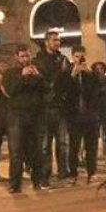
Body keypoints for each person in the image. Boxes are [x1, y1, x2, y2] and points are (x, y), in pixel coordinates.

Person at [4, 45, 45, 193]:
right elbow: (10, 91)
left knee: (36, 151)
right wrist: (22, 75)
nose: (25, 59)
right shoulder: (10, 73)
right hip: (16, 117)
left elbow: (46, 90)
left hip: (35, 116)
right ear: (17, 57)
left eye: (27, 56)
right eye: (22, 56)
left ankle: (37, 181)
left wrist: (38, 76)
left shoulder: (37, 72)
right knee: (16, 151)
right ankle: (15, 183)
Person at [35, 31, 73, 185]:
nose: (57, 42)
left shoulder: (63, 59)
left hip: (60, 107)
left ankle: (63, 172)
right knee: (45, 145)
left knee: (63, 143)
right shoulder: (38, 60)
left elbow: (67, 82)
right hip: (45, 107)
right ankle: (45, 174)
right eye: (54, 40)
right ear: (46, 42)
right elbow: (43, 82)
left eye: (59, 40)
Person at [63, 46, 102, 184]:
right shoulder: (67, 72)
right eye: (77, 56)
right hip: (74, 116)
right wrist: (73, 75)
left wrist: (90, 73)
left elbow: (98, 89)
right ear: (72, 57)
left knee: (91, 147)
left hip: (90, 116)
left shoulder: (91, 73)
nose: (80, 59)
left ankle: (92, 172)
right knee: (74, 147)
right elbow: (63, 90)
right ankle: (73, 173)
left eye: (82, 56)